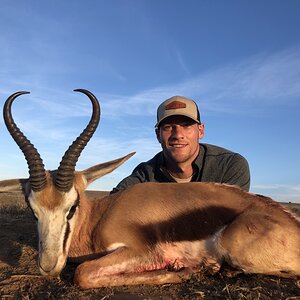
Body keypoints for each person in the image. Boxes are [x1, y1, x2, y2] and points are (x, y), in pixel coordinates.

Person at [112, 95, 250, 193]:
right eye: (168, 127)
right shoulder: (145, 174)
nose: (177, 135)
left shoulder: (230, 165)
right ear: (158, 135)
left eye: (186, 125)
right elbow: (113, 202)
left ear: (200, 131)